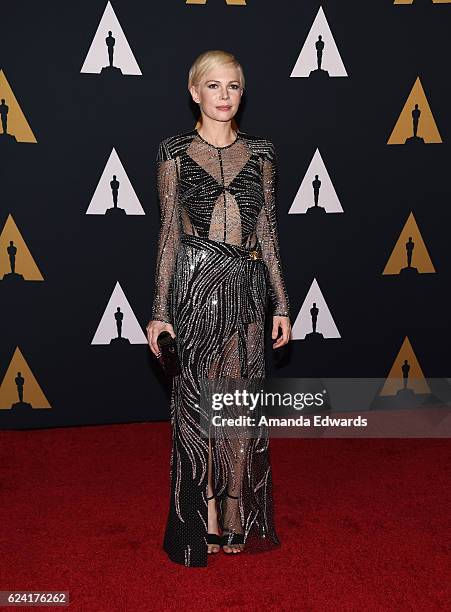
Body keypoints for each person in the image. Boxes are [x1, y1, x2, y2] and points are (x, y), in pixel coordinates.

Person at [146, 49, 291, 568]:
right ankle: (204, 511)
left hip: (248, 291)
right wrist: (159, 311)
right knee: (200, 406)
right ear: (194, 91)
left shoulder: (262, 153)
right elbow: (168, 235)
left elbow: (268, 234)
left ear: (241, 93)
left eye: (232, 86)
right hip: (196, 288)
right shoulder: (175, 153)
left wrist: (282, 303)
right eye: (213, 86)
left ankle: (236, 512)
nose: (224, 96)